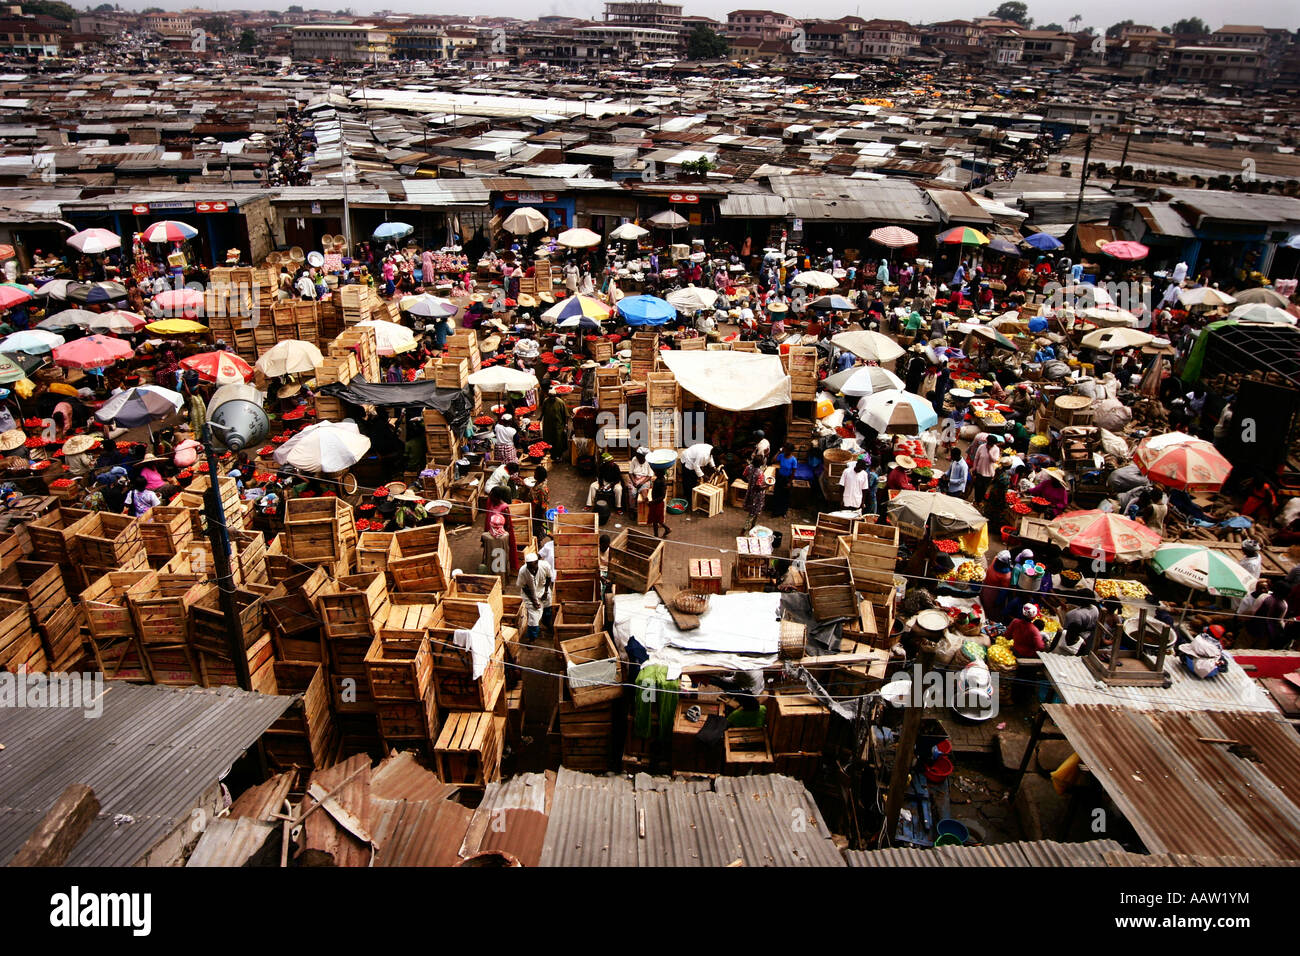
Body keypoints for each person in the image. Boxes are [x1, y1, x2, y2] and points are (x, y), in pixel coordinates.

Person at [516, 550, 555, 642]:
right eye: (529, 567)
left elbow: (549, 578)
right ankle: (532, 637)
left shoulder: (545, 566)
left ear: (537, 562)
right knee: (534, 616)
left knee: (547, 606)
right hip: (529, 594)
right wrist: (534, 601)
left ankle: (547, 623)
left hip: (542, 589)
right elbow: (524, 587)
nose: (531, 570)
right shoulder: (523, 571)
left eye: (533, 566)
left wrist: (545, 591)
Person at [742, 453, 769, 532]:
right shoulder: (760, 473)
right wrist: (768, 486)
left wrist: (750, 481)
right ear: (761, 463)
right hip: (757, 495)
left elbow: (744, 476)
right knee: (753, 513)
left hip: (750, 492)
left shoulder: (748, 467)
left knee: (754, 511)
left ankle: (752, 527)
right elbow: (758, 487)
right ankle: (744, 529)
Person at [971, 434, 1001, 503]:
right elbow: (976, 458)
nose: (989, 444)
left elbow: (994, 460)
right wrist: (974, 467)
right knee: (977, 487)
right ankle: (976, 500)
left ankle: (980, 500)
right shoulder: (981, 447)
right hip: (979, 471)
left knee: (984, 488)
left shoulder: (996, 449)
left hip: (989, 473)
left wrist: (989, 451)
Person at [648, 471, 670, 538]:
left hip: (658, 503)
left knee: (656, 520)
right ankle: (665, 530)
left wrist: (652, 502)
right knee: (657, 520)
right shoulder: (659, 479)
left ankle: (656, 535)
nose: (655, 472)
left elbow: (662, 496)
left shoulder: (662, 482)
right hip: (655, 502)